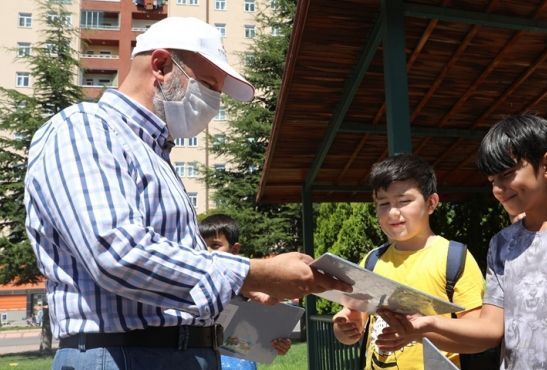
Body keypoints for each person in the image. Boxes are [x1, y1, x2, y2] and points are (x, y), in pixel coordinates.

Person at [23, 17, 349, 370]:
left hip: (178, 353)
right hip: (123, 356)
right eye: (208, 85)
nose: (213, 103)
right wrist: (253, 272)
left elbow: (164, 278)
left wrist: (240, 289)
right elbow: (117, 254)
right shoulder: (84, 128)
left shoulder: (155, 154)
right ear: (161, 65)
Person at [378, 114, 547, 369]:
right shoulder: (502, 243)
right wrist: (426, 325)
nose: (498, 188)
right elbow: (490, 328)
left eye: (507, 174)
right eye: (491, 181)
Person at [331, 154, 485, 369]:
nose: (393, 212)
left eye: (404, 201)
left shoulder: (454, 258)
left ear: (431, 203)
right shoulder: (372, 260)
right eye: (383, 203)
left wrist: (420, 331)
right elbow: (354, 317)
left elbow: (478, 334)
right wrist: (344, 328)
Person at [199, 214, 293, 370]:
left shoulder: (247, 283)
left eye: (215, 246)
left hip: (237, 361)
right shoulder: (192, 283)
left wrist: (278, 343)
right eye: (202, 247)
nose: (208, 252)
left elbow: (266, 328)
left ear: (235, 249)